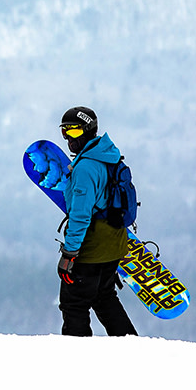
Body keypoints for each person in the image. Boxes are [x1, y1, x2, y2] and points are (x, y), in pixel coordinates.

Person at [56, 106, 138, 337]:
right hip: (115, 242)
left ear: (88, 130)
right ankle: (130, 346)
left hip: (93, 247)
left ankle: (77, 355)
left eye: (73, 132)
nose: (68, 140)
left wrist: (69, 254)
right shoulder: (108, 155)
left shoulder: (85, 168)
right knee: (104, 296)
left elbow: (80, 216)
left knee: (74, 303)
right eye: (64, 133)